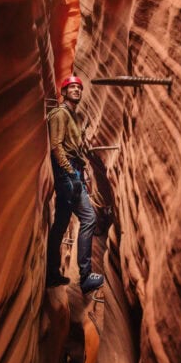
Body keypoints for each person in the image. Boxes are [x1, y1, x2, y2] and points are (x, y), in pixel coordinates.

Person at [46, 75, 105, 294]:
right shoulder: (60, 114)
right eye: (71, 87)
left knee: (60, 224)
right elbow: (56, 146)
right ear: (63, 92)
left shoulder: (73, 116)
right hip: (67, 172)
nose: (76, 90)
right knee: (89, 218)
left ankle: (52, 274)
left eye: (79, 87)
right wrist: (70, 174)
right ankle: (86, 275)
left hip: (71, 171)